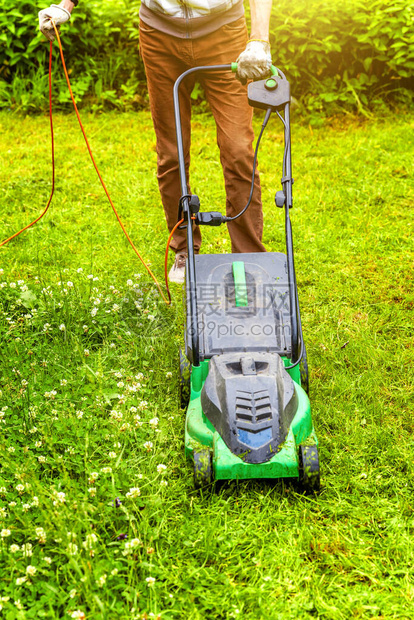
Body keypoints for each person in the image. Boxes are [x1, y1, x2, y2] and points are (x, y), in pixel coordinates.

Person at [39, 1, 273, 283]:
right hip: (160, 36)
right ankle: (184, 248)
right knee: (171, 153)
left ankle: (248, 256)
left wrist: (259, 40)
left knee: (238, 150)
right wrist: (65, 5)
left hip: (223, 32)